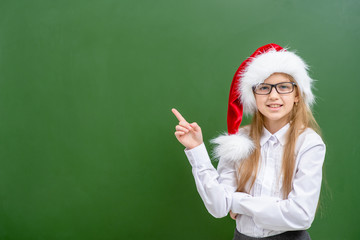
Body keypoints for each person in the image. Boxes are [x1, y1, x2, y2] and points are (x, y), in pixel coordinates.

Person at [171, 43, 326, 240]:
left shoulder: (309, 143)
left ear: (297, 95)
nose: (273, 95)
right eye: (264, 87)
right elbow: (219, 206)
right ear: (253, 95)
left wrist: (239, 202)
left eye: (284, 87)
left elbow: (301, 215)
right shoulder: (239, 141)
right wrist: (196, 149)